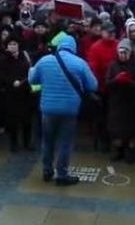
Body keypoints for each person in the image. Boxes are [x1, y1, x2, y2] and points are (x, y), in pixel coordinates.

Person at [29, 34, 97, 186]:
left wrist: (32, 71)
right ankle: (62, 175)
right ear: (73, 48)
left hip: (48, 109)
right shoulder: (80, 63)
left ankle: (47, 170)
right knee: (65, 143)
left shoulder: (45, 60)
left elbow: (33, 80)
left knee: (47, 141)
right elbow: (93, 85)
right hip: (69, 111)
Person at [105, 39, 135, 164]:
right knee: (117, 128)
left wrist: (129, 82)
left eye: (125, 52)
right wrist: (116, 80)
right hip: (117, 102)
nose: (122, 55)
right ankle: (118, 149)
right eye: (120, 53)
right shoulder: (113, 65)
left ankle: (130, 150)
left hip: (132, 102)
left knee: (131, 129)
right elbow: (107, 83)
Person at [0, 34, 34, 152]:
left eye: (14, 44)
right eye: (10, 44)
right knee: (13, 121)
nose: (12, 46)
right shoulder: (3, 59)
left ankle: (27, 143)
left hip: (25, 93)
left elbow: (30, 71)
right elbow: (1, 76)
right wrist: (11, 82)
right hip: (11, 94)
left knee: (27, 120)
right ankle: (14, 144)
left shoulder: (25, 57)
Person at [87, 21, 119, 152]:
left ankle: (115, 139)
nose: (111, 34)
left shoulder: (118, 45)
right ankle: (104, 140)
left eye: (113, 32)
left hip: (116, 87)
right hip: (102, 88)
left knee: (115, 115)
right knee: (102, 116)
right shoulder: (95, 47)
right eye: (108, 32)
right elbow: (93, 68)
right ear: (102, 32)